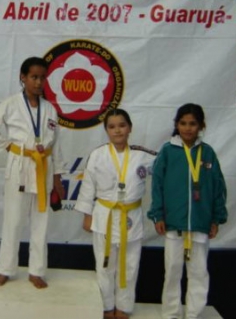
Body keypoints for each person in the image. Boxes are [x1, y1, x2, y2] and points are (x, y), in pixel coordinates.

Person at [0, 56, 65, 289]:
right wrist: (8, 146)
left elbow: (56, 144)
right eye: (34, 77)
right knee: (13, 221)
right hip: (20, 166)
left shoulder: (50, 109)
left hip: (44, 168)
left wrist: (58, 177)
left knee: (41, 222)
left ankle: (37, 271)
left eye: (42, 78)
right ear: (23, 77)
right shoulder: (11, 104)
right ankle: (6, 269)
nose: (38, 82)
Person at [147, 103, 227, 319]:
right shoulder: (168, 151)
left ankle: (193, 314)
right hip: (174, 223)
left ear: (201, 125)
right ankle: (171, 313)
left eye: (193, 123)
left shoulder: (207, 153)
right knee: (173, 271)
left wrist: (216, 218)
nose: (188, 128)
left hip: (200, 222)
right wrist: (158, 215)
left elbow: (218, 187)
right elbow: (157, 186)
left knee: (199, 272)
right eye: (183, 123)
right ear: (176, 125)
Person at [75, 109, 156, 319]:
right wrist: (87, 214)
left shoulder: (142, 155)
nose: (117, 130)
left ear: (130, 128)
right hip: (105, 215)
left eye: (122, 125)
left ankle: (124, 307)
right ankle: (106, 306)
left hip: (131, 216)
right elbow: (88, 186)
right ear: (106, 130)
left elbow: (167, 166)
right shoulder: (98, 155)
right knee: (105, 265)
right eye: (112, 127)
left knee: (130, 265)